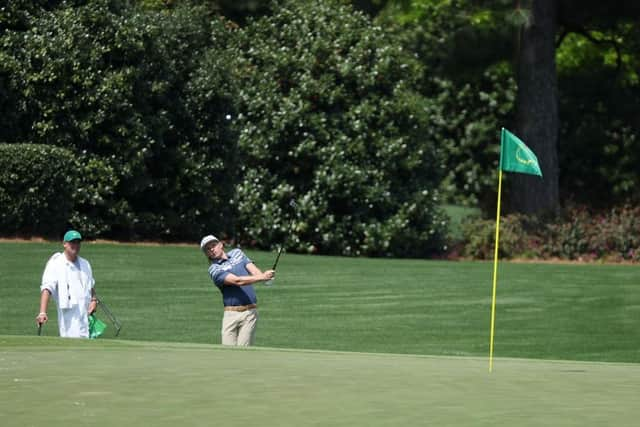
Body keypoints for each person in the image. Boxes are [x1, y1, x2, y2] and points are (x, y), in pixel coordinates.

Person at [200, 234, 275, 346]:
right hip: (230, 314)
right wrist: (262, 277)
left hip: (250, 312)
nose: (212, 249)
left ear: (220, 244)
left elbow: (255, 272)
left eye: (213, 245)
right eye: (208, 249)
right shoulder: (214, 269)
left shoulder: (237, 253)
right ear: (207, 254)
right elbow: (237, 281)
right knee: (228, 353)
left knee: (243, 353)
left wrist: (266, 277)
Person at [35, 230, 97, 338]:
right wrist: (42, 312)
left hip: (85, 313)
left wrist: (94, 300)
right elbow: (47, 288)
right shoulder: (56, 263)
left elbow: (90, 285)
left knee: (86, 346)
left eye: (78, 242)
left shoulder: (85, 264)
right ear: (64, 244)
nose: (76, 245)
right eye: (72, 242)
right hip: (68, 314)